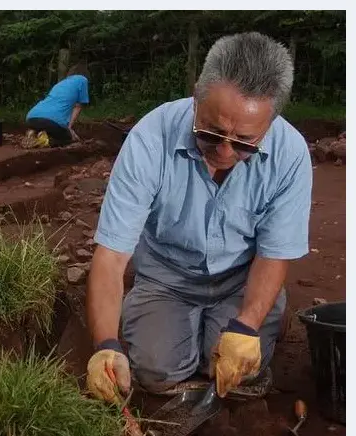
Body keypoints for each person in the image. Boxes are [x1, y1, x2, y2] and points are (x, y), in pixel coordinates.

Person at [85, 32, 312, 405]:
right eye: (211, 133)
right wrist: (105, 346)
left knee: (235, 374)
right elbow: (111, 255)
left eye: (243, 142)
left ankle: (268, 314)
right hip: (166, 277)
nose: (224, 151)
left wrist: (247, 325)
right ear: (196, 95)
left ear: (271, 122)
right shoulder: (150, 138)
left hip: (241, 277)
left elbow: (274, 254)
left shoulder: (290, 154)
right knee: (156, 373)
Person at [22, 63, 90, 148]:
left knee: (50, 127)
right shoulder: (82, 80)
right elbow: (78, 106)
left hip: (31, 118)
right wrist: (69, 129)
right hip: (51, 122)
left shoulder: (60, 83)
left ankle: (34, 132)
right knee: (68, 139)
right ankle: (44, 141)